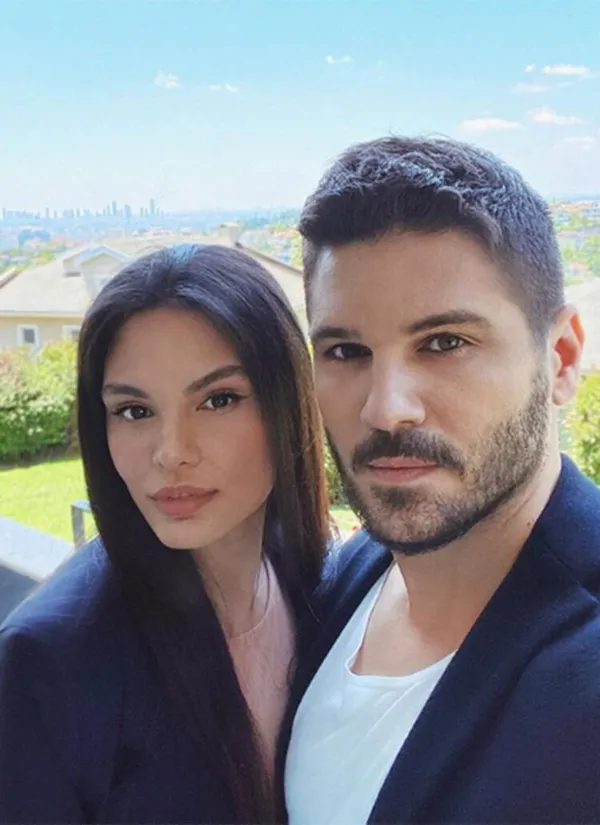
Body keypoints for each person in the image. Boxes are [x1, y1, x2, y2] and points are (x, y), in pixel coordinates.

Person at [283, 137, 600, 825]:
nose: (386, 408)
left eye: (445, 342)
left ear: (561, 357)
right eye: (346, 351)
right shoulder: (340, 579)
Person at [0, 244, 330, 824]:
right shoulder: (47, 666)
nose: (171, 452)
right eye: (134, 411)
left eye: (218, 400)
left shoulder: (324, 582)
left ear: (287, 403)